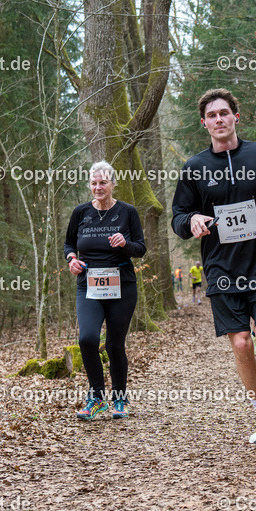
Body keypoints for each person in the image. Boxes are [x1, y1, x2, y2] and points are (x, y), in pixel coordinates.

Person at [171, 88, 256, 444]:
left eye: (224, 113)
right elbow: (178, 217)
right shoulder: (194, 168)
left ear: (235, 117)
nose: (219, 120)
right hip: (222, 268)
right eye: (212, 116)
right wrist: (191, 220)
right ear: (204, 123)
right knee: (242, 344)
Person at [64, 161, 146, 420]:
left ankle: (120, 398)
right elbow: (69, 244)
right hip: (88, 284)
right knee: (87, 339)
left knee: (114, 344)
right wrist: (71, 260)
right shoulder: (81, 212)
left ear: (113, 183)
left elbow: (141, 249)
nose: (98, 187)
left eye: (103, 182)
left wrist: (125, 244)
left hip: (122, 285)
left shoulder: (127, 212)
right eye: (94, 183)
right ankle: (97, 398)